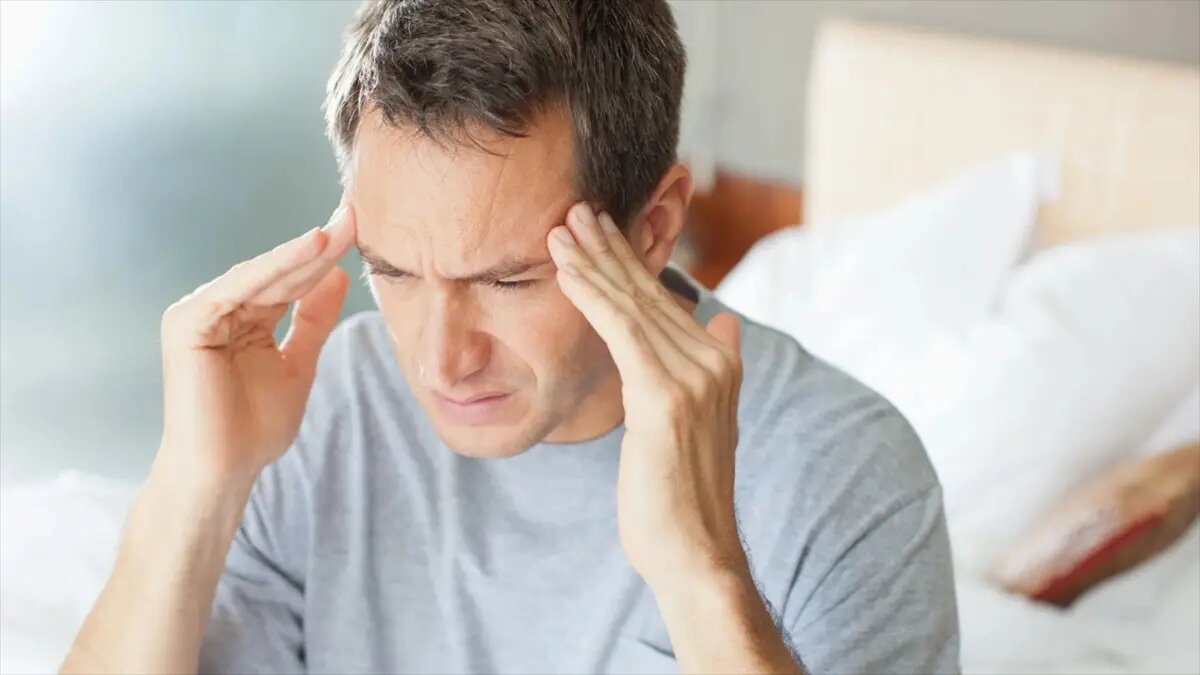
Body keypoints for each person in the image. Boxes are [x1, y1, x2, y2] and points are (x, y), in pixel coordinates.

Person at [61, 1, 960, 673]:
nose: (440, 360)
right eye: (394, 272)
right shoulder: (330, 411)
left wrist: (702, 574)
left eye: (507, 280)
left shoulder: (843, 474)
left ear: (652, 229)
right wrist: (192, 488)